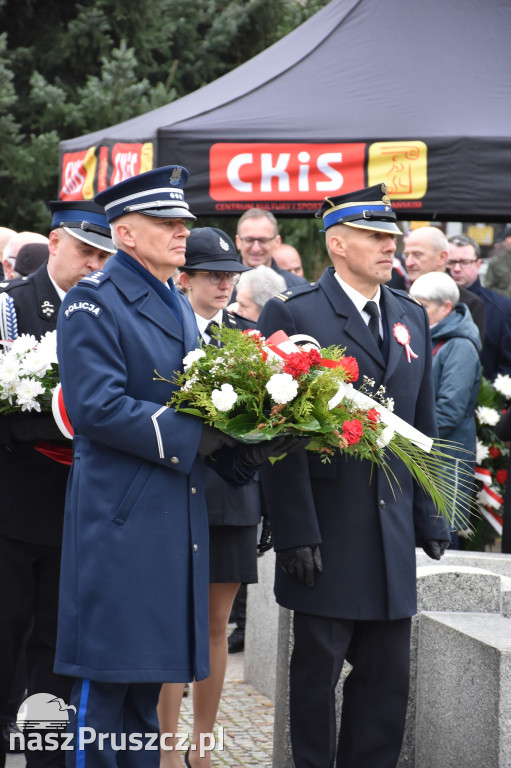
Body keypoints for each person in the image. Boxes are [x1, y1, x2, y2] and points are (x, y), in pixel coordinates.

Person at [54, 166, 297, 768]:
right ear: (126, 234)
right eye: (166, 223)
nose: (182, 232)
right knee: (105, 696)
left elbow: (192, 399)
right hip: (120, 522)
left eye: (183, 222)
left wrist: (241, 450)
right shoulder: (94, 300)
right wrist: (200, 437)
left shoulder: (173, 302)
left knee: (143, 691)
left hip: (169, 518)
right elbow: (97, 407)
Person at [257, 183, 450, 768]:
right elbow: (275, 432)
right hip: (327, 530)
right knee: (316, 679)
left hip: (389, 533)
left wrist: (430, 511)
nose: (390, 247)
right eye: (375, 237)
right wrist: (293, 529)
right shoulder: (294, 313)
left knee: (385, 682)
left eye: (393, 237)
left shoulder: (411, 315)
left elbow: (423, 425)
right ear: (337, 243)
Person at [0, 201, 115, 768]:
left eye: (104, 255)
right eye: (85, 250)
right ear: (55, 242)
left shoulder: (111, 311)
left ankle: (42, 757)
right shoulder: (10, 310)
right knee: (6, 639)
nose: (94, 264)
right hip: (16, 506)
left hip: (85, 510)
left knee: (58, 648)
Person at [159, 226, 260, 768]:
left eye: (231, 275)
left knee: (217, 624)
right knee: (174, 621)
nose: (225, 284)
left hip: (233, 495)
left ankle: (203, 744)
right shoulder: (165, 330)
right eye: (213, 275)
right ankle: (168, 747)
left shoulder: (249, 336)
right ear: (185, 278)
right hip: (176, 488)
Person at [409, 272, 481, 548]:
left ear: (446, 307)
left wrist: (408, 437)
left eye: (423, 305)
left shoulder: (459, 346)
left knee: (441, 535)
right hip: (426, 455)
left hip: (445, 460)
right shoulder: (427, 336)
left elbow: (449, 410)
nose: (415, 312)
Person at [403, 226, 486, 344]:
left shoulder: (468, 303)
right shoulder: (399, 297)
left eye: (417, 254)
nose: (409, 262)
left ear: (442, 257)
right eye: (406, 255)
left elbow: (468, 356)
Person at [447, 233, 511, 381]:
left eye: (464, 262)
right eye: (451, 262)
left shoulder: (502, 309)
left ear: (479, 264)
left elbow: (507, 366)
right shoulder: (427, 304)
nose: (456, 268)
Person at [235, 208, 307, 289]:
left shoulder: (297, 287)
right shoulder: (221, 282)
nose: (256, 248)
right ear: (238, 242)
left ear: (277, 242)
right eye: (249, 240)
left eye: (263, 240)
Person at [484, 225, 511, 298]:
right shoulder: (496, 261)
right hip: (503, 303)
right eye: (509, 237)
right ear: (505, 241)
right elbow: (488, 287)